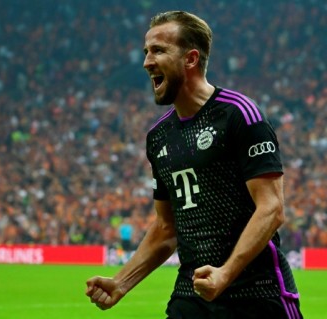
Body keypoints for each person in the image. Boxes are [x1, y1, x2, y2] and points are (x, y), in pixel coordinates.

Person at [85, 10, 303, 319]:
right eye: (146, 51)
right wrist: (121, 282)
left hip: (257, 293)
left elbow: (271, 208)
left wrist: (225, 274)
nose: (147, 61)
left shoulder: (238, 115)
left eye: (158, 50)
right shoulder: (159, 137)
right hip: (192, 294)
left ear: (190, 59)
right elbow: (165, 227)